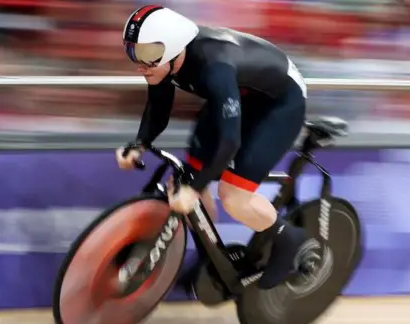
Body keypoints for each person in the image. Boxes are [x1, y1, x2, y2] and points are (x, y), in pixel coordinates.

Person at [115, 5, 318, 289]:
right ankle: (211, 257)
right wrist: (139, 144)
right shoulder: (165, 61)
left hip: (279, 104)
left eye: (146, 53)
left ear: (174, 47)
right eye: (132, 51)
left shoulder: (213, 67)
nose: (139, 63)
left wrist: (196, 188)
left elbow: (230, 140)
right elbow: (159, 107)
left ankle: (288, 239)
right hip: (240, 93)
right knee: (184, 179)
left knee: (233, 196)